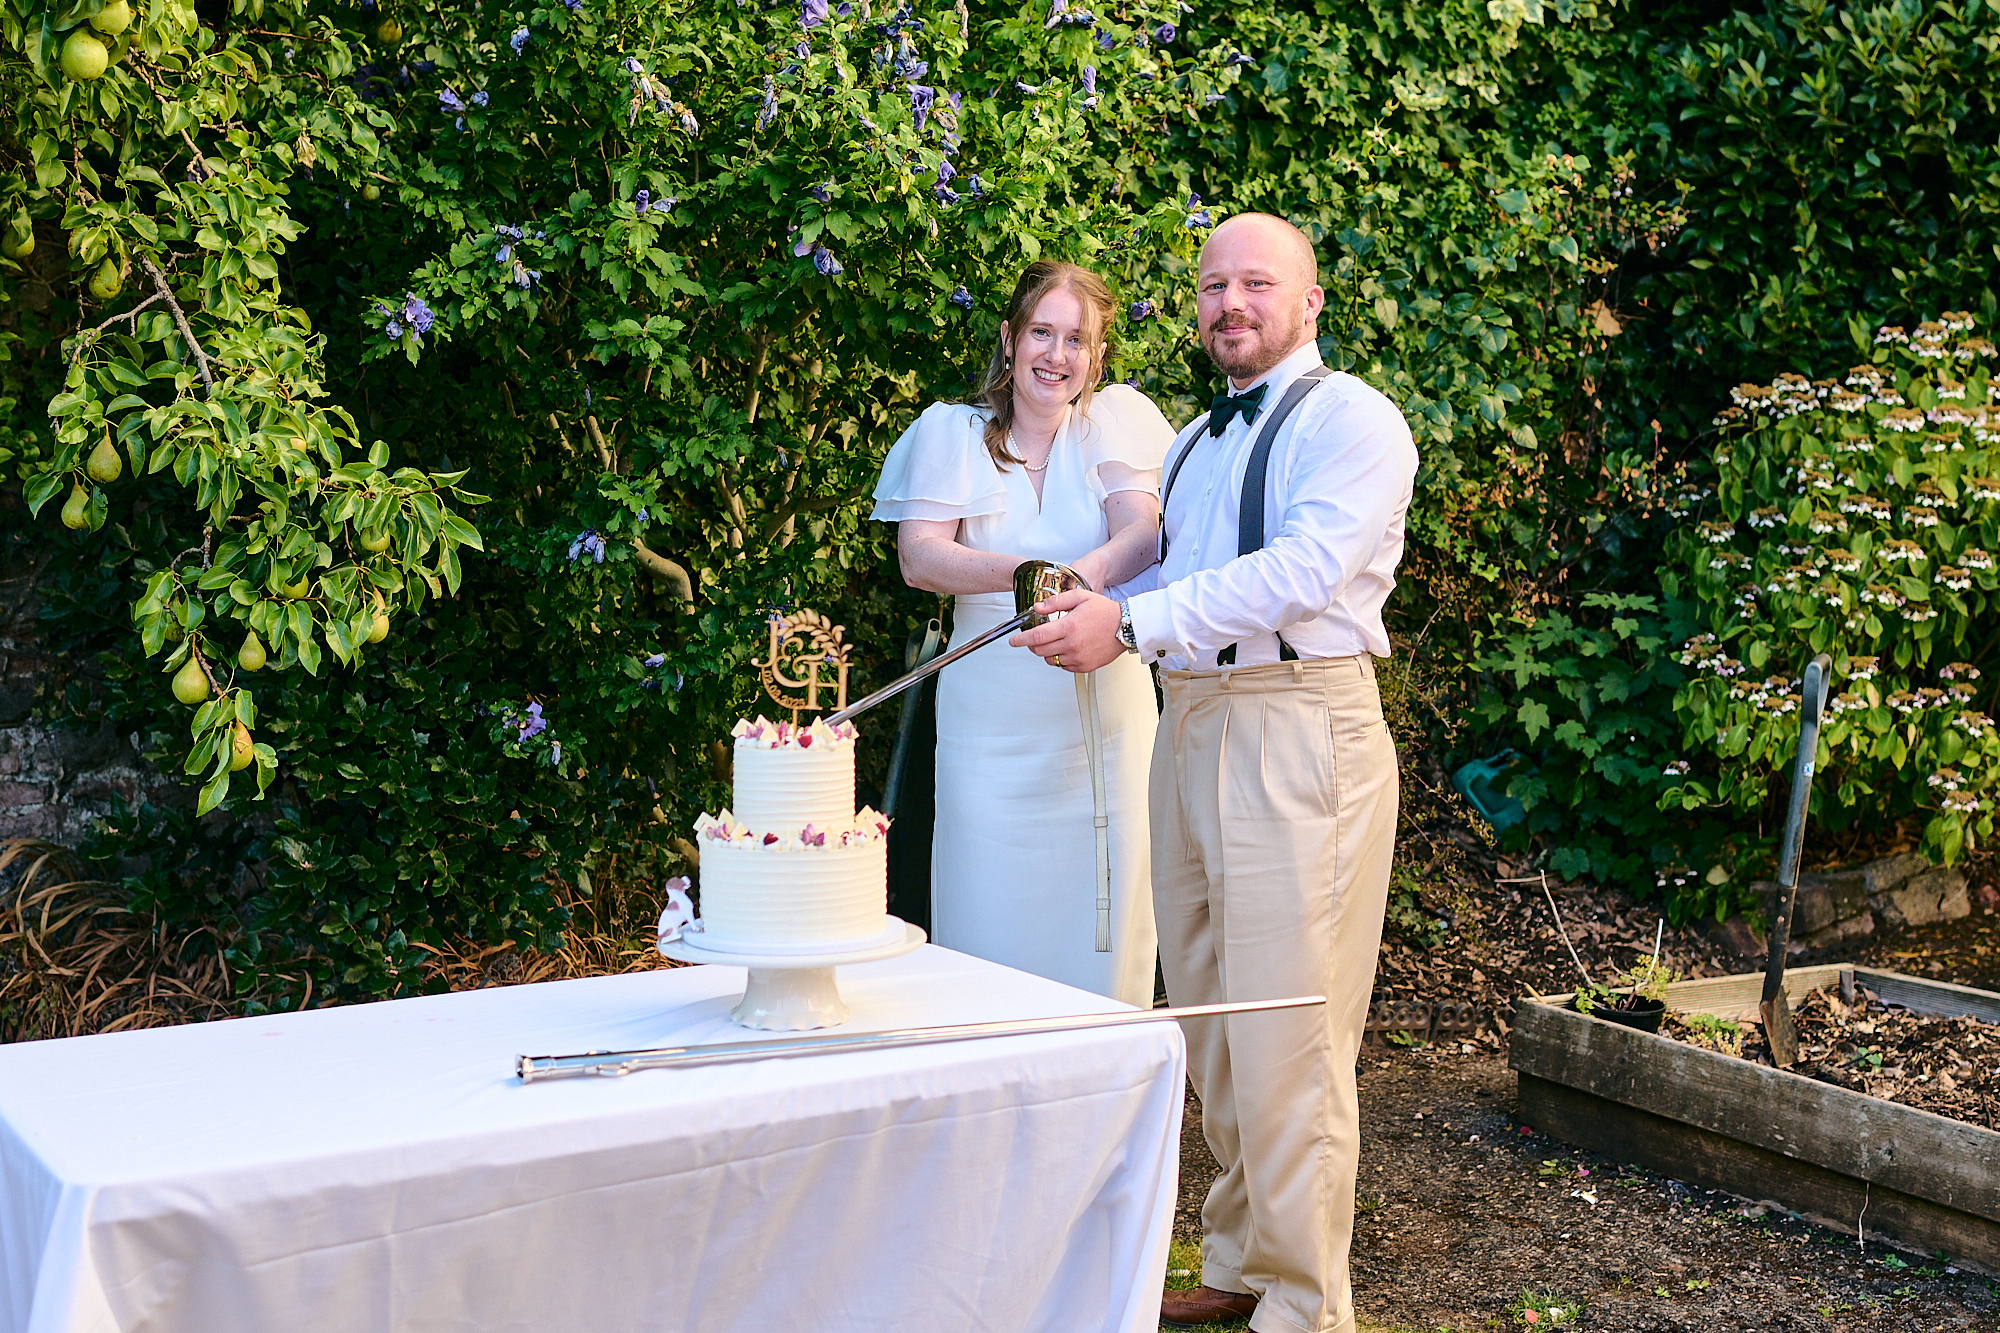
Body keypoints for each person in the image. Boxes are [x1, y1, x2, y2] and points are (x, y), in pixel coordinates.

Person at [1010, 214, 1419, 1333]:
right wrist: (1090, 600)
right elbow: (1172, 566)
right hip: (1189, 720)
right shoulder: (1193, 438)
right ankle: (1241, 1259)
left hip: (1298, 723)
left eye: (1255, 283)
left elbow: (1299, 572)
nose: (1229, 303)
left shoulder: (1355, 420)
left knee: (1291, 1025)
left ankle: (1307, 1301)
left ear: (1310, 300)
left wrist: (1128, 624)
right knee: (1211, 1013)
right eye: (1210, 285)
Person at [870, 260, 1177, 1007]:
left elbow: (1143, 534)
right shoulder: (953, 433)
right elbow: (920, 557)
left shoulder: (1113, 424)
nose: (1056, 354)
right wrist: (1031, 575)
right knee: (988, 918)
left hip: (1103, 726)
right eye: (1042, 332)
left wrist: (1083, 578)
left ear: (1096, 357)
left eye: (1077, 339)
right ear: (1010, 339)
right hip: (990, 728)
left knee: (1104, 930)